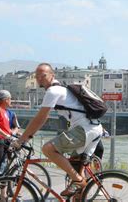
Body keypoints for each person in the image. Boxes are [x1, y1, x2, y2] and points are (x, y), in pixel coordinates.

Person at [12, 63, 103, 197]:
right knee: (75, 169)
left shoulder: (53, 91)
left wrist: (22, 140)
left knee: (48, 149)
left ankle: (79, 181)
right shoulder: (61, 90)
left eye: (43, 75)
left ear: (52, 75)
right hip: (92, 129)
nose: (39, 78)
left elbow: (40, 118)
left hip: (84, 129)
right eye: (37, 76)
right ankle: (79, 187)